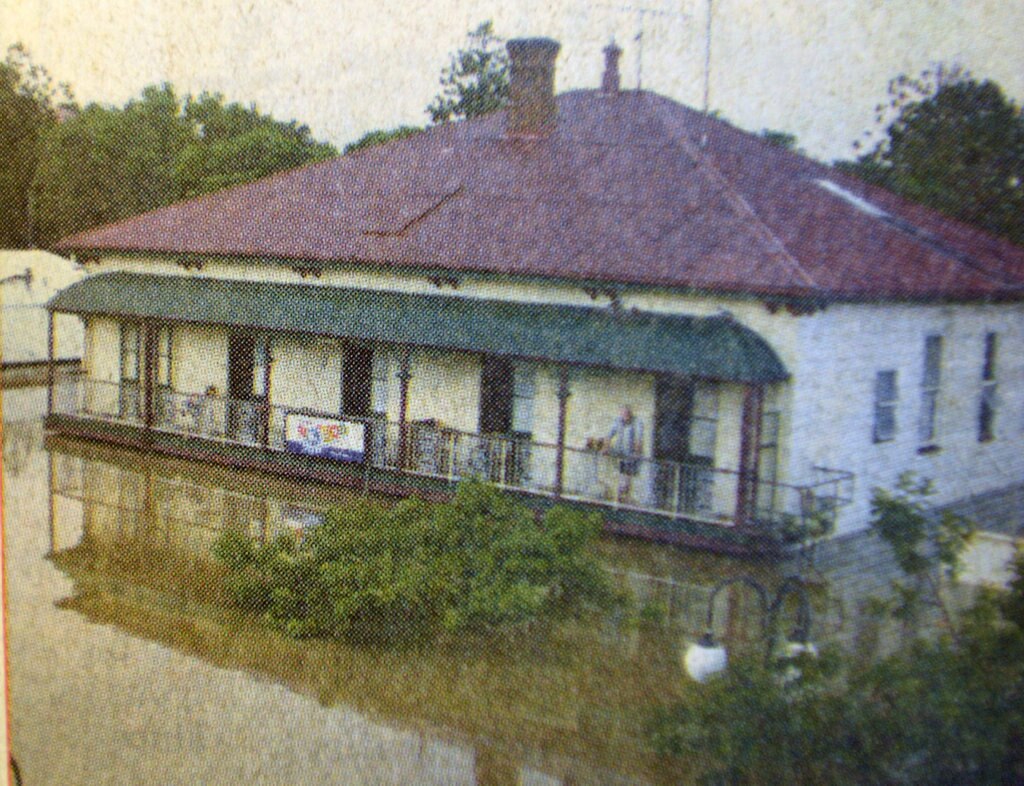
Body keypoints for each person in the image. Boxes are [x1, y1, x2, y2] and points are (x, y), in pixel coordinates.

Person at [606, 405, 644, 503]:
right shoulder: (618, 421)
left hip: (631, 455)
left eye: (627, 414)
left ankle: (624, 496)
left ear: (630, 415)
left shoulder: (637, 422)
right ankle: (620, 497)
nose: (625, 416)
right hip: (621, 454)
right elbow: (609, 435)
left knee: (627, 476)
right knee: (622, 475)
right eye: (623, 414)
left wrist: (637, 451)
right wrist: (606, 446)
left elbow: (638, 439)